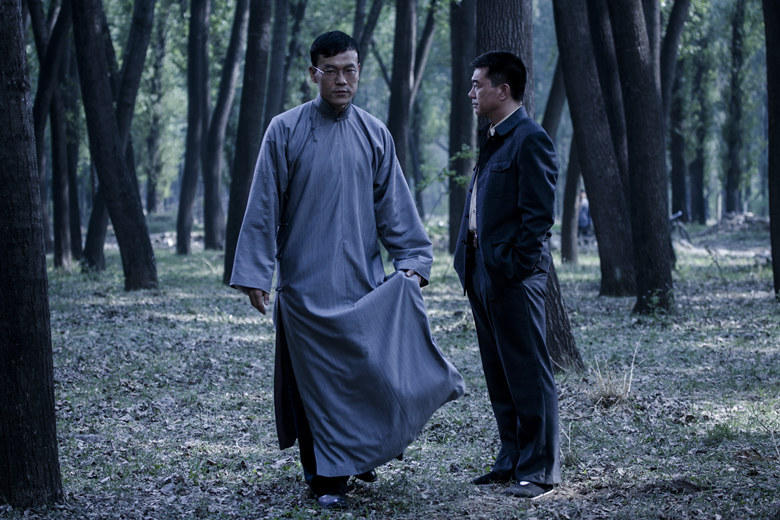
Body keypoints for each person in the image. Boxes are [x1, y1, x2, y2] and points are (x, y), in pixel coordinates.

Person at [230, 31, 464, 509]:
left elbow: (395, 208)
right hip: (305, 288)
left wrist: (412, 262)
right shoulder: (285, 130)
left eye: (350, 70)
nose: (342, 80)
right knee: (313, 387)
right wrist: (255, 273)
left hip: (362, 285)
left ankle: (360, 454)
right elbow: (263, 205)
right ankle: (325, 479)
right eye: (332, 70)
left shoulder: (375, 134)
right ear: (313, 74)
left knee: (362, 377)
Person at [453, 51, 560, 499]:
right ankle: (510, 461)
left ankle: (539, 470)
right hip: (482, 271)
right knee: (499, 373)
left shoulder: (529, 139)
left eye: (478, 84)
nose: (471, 93)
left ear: (503, 90)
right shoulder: (495, 136)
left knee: (528, 373)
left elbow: (538, 218)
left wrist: (512, 267)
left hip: (512, 276)